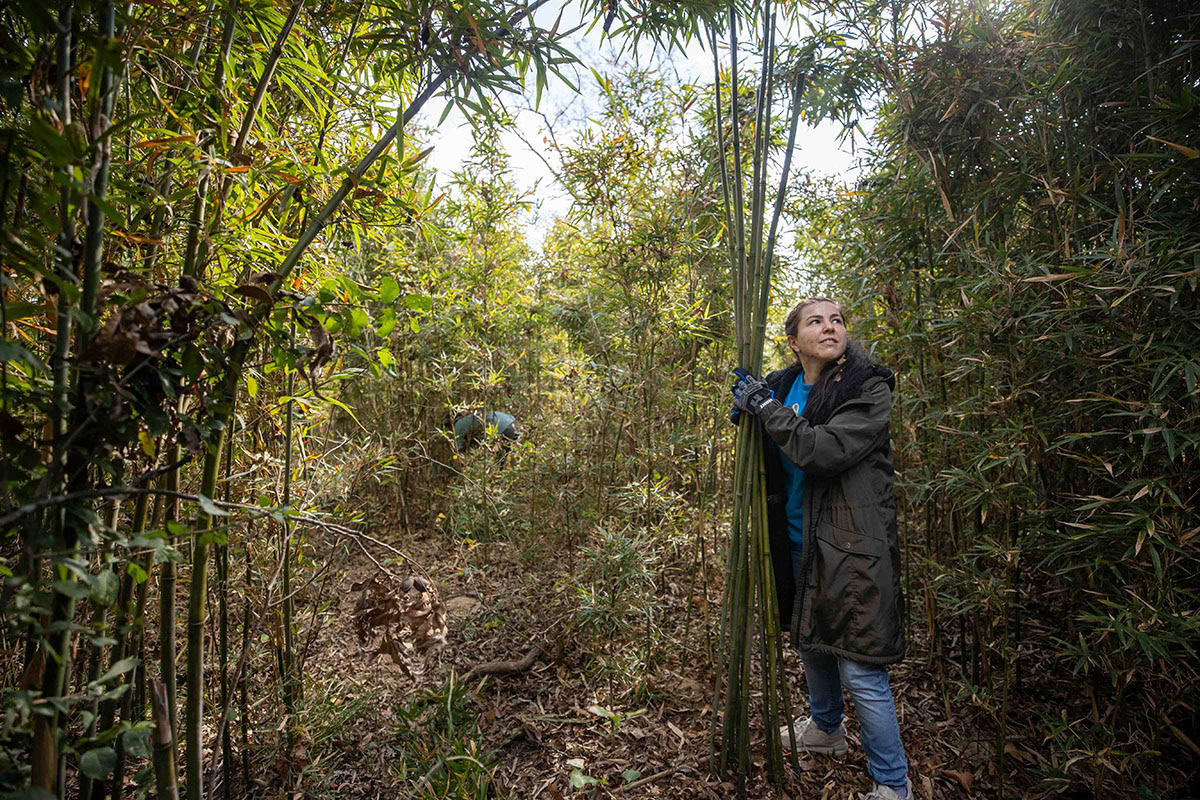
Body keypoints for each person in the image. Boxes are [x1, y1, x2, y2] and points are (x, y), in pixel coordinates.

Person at [730, 297, 910, 800]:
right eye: (817, 321)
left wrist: (764, 409)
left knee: (861, 666)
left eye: (837, 320)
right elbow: (770, 438)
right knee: (809, 637)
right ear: (794, 340)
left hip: (851, 546)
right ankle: (827, 729)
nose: (830, 327)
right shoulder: (784, 386)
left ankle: (893, 785)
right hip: (794, 537)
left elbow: (823, 451)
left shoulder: (866, 387)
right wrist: (749, 411)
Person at [452, 410, 520, 465]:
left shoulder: (458, 425)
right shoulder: (472, 417)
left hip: (504, 429)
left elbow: (458, 452)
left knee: (501, 459)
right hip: (514, 423)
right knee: (511, 456)